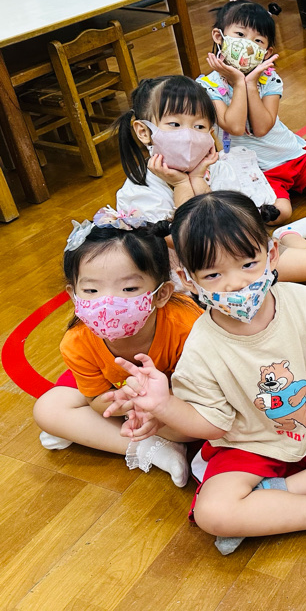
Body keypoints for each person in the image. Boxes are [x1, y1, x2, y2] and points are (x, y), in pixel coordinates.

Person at [103, 192, 306, 554]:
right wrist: (164, 404)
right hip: (248, 442)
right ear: (187, 279)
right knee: (213, 513)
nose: (236, 283)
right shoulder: (201, 345)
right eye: (213, 274)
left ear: (271, 254)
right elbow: (212, 425)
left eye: (248, 264)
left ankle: (275, 496)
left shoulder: (303, 302)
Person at [32, 207, 201, 486]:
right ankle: (151, 450)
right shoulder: (77, 342)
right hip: (122, 396)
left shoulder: (188, 327)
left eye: (129, 289)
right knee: (47, 409)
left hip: (174, 399)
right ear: (74, 295)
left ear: (161, 294)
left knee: (189, 429)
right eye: (91, 291)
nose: (108, 302)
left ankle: (96, 433)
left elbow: (202, 393)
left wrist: (158, 404)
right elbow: (97, 401)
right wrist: (124, 403)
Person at [115, 75, 306, 283]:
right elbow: (191, 244)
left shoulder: (218, 170)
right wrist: (182, 184)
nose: (188, 136)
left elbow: (227, 229)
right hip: (184, 270)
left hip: (229, 257)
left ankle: (287, 235)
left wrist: (198, 179)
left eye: (199, 127)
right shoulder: (139, 190)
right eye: (175, 124)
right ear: (144, 131)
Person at [198, 0, 306, 222]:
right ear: (219, 37)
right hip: (257, 169)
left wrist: (251, 84)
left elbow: (262, 128)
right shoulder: (206, 86)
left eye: (258, 40)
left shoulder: (269, 79)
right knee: (280, 214)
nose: (248, 44)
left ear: (267, 52)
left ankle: (293, 186)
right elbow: (235, 127)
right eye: (240, 35)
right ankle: (281, 191)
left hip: (290, 154)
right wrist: (239, 83)